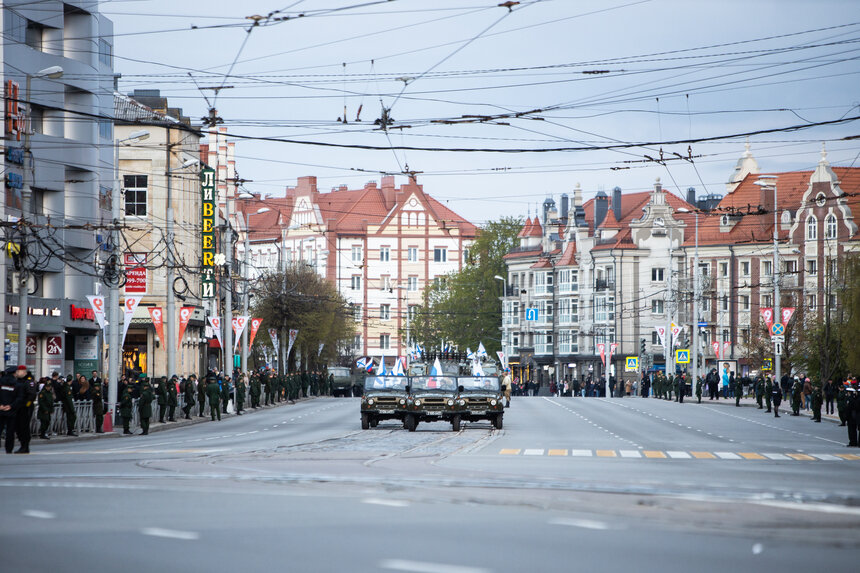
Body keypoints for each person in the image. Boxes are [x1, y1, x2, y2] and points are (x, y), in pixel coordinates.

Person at [0, 366, 24, 453]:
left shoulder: (1, 383)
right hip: (12, 411)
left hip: (1, 410)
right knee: (10, 431)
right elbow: (19, 398)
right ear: (14, 373)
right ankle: (8, 449)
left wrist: (1, 405)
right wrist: (11, 406)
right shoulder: (17, 385)